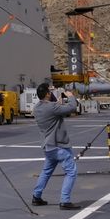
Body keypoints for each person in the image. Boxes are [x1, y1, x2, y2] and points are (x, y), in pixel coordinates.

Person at [30, 81, 80, 209]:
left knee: (46, 172)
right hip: (59, 146)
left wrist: (58, 103)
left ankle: (36, 196)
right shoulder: (52, 107)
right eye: (50, 92)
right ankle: (65, 200)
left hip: (48, 147)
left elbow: (53, 110)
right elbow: (72, 107)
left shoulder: (37, 108)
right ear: (47, 94)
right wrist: (70, 96)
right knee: (71, 172)